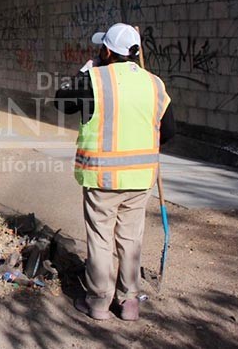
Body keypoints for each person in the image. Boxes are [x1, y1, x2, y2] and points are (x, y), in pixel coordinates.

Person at [53, 23, 176, 321]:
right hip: (139, 178)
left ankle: (98, 301)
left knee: (101, 237)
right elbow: (169, 131)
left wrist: (85, 72)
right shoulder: (154, 84)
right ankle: (129, 301)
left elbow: (61, 102)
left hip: (102, 178)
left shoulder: (94, 79)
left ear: (106, 51)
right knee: (131, 238)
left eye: (100, 48)